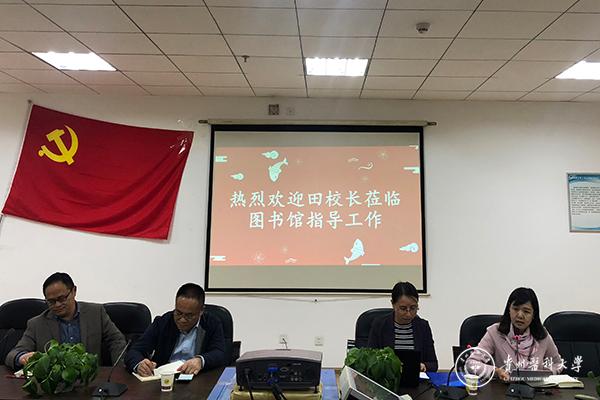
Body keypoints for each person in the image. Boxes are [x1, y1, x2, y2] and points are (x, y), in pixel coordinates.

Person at [5, 272, 126, 369]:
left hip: (90, 380)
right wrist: (22, 357)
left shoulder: (96, 313)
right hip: (55, 384)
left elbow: (117, 340)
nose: (57, 304)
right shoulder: (37, 324)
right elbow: (13, 354)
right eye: (51, 301)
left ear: (74, 291)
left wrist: (119, 371)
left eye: (62, 298)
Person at [125, 283, 226, 376]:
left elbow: (220, 353)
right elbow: (135, 351)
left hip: (197, 378)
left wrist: (201, 361)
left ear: (201, 311)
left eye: (189, 316)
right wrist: (139, 365)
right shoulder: (163, 322)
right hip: (165, 379)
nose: (182, 319)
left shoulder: (211, 323)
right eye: (178, 313)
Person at [467, 287, 563, 381]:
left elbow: (557, 364)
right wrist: (495, 371)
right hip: (503, 389)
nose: (520, 315)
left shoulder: (542, 336)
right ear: (509, 310)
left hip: (536, 389)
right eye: (516, 309)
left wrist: (543, 374)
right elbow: (471, 363)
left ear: (534, 314)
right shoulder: (495, 333)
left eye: (526, 311)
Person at [368, 281, 438, 372]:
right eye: (403, 308)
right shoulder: (379, 325)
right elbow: (370, 361)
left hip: (415, 377)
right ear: (393, 304)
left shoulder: (423, 326)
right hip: (387, 377)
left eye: (413, 308)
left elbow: (433, 364)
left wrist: (424, 366)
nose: (408, 314)